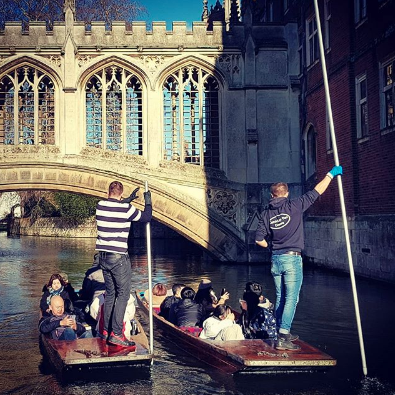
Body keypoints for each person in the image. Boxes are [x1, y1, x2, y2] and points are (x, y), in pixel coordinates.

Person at [255, 165, 343, 350]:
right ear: (286, 194)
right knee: (292, 299)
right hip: (292, 259)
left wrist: (271, 245)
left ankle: (280, 329)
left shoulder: (265, 214)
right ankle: (283, 336)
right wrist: (330, 174)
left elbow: (259, 240)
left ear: (272, 196)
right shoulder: (294, 205)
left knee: (280, 296)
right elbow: (317, 191)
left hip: (276, 259)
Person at [96, 182, 152, 347]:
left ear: (108, 191)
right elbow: (146, 217)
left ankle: (106, 330)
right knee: (123, 295)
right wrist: (148, 201)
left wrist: (124, 200)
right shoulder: (126, 210)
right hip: (119, 258)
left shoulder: (100, 206)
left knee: (111, 294)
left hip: (103, 257)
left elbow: (114, 205)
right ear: (121, 194)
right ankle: (117, 334)